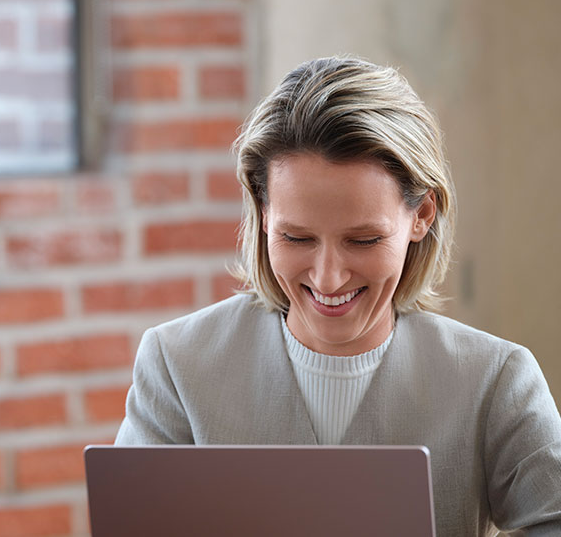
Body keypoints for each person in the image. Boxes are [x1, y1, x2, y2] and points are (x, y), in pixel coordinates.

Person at [115, 57, 561, 536]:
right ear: (263, 212)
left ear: (422, 215)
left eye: (363, 240)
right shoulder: (177, 365)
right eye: (297, 238)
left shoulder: (494, 381)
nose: (328, 279)